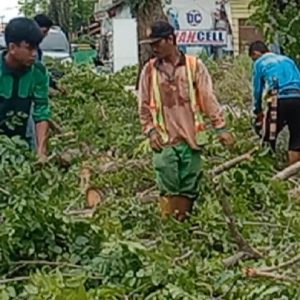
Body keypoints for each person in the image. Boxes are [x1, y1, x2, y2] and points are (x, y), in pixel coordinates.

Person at [138, 21, 234, 221]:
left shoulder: (194, 66)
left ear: (171, 40)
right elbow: (144, 105)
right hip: (163, 138)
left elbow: (208, 99)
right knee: (167, 181)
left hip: (192, 138)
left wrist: (220, 127)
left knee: (189, 184)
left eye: (157, 43)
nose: (154, 48)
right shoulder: (149, 70)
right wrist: (150, 131)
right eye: (151, 44)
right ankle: (169, 227)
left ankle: (183, 225)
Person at [0, 17, 51, 159]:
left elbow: (41, 112)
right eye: (29, 48)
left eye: (36, 48)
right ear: (12, 48)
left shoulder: (38, 73)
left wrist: (41, 151)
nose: (34, 54)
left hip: (22, 138)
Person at [249, 41, 300, 165]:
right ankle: (293, 174)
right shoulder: (288, 60)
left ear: (256, 53)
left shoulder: (260, 63)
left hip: (278, 100)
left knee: (269, 136)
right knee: (297, 140)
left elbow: (257, 90)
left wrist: (258, 111)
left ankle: (268, 167)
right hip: (298, 98)